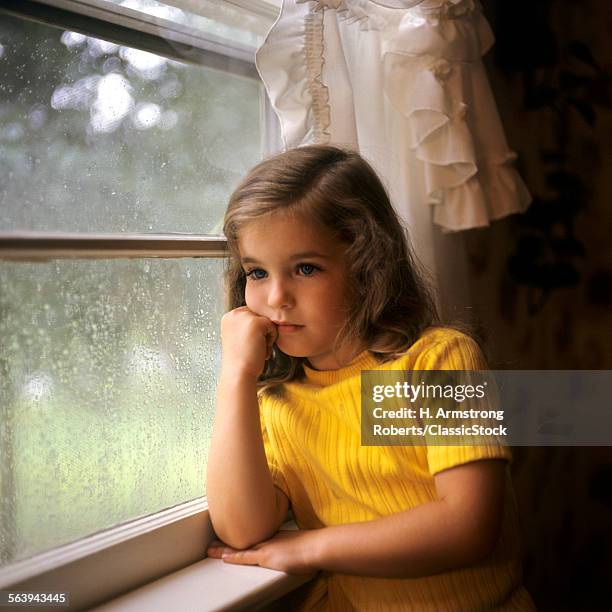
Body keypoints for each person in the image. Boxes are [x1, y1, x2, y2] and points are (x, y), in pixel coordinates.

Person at [206, 145, 535, 610]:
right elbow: (240, 530)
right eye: (257, 271)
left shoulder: (436, 361)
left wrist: (309, 548)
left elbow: (468, 527)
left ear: (367, 265)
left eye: (305, 268)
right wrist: (235, 375)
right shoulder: (277, 403)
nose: (276, 297)